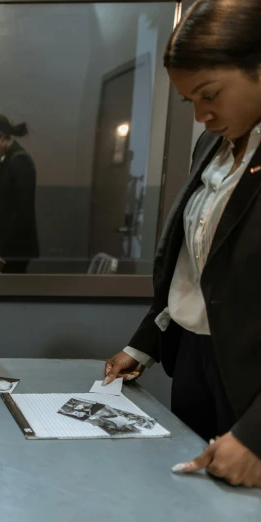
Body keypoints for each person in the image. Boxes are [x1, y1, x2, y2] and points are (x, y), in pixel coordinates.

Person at [103, 0, 261, 488]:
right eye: (189, 101)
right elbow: (192, 270)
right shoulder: (211, 145)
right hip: (195, 357)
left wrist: (256, 435)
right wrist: (145, 342)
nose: (203, 114)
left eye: (210, 94)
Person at [0, 114, 40, 274]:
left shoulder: (19, 162)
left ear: (0, 137)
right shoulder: (6, 162)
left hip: (13, 253)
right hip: (2, 249)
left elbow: (22, 215)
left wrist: (1, 255)